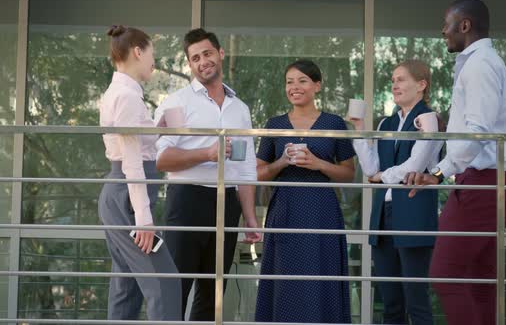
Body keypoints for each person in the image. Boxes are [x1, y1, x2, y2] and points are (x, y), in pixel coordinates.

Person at [404, 0, 506, 325]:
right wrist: (446, 124)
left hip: (484, 183)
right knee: (478, 279)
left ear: (465, 25)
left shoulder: (480, 64)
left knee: (446, 274)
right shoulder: (483, 63)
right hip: (496, 180)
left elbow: (480, 131)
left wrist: (440, 172)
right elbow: (479, 124)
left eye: (447, 24)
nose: (443, 31)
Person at [154, 28, 261, 321]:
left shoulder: (240, 109)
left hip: (227, 204)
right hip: (186, 200)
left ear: (221, 54)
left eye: (208, 54)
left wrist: (250, 218)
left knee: (213, 294)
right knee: (175, 290)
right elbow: (162, 158)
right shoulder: (177, 102)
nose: (203, 62)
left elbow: (246, 166)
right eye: (195, 58)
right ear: (190, 64)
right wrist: (207, 153)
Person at [255, 59, 355, 323]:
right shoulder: (274, 125)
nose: (294, 87)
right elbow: (257, 173)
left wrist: (318, 163)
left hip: (322, 212)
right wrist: (281, 162)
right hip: (285, 211)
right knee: (284, 279)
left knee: (322, 277)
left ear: (317, 86)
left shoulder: (334, 124)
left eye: (302, 81)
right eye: (289, 82)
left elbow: (348, 174)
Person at [98, 25, 181, 321]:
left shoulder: (123, 93)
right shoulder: (126, 96)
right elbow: (131, 159)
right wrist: (144, 218)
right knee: (165, 281)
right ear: (137, 51)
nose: (153, 62)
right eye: (151, 55)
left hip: (123, 194)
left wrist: (159, 130)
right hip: (128, 196)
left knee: (126, 285)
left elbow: (136, 146)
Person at [350, 60, 442, 325]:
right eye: (393, 80)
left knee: (417, 302)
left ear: (421, 85)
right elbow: (370, 169)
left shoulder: (429, 120)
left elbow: (415, 166)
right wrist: (358, 128)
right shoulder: (385, 123)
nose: (394, 85)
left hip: (414, 213)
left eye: (401, 79)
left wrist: (382, 177)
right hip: (383, 215)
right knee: (390, 303)